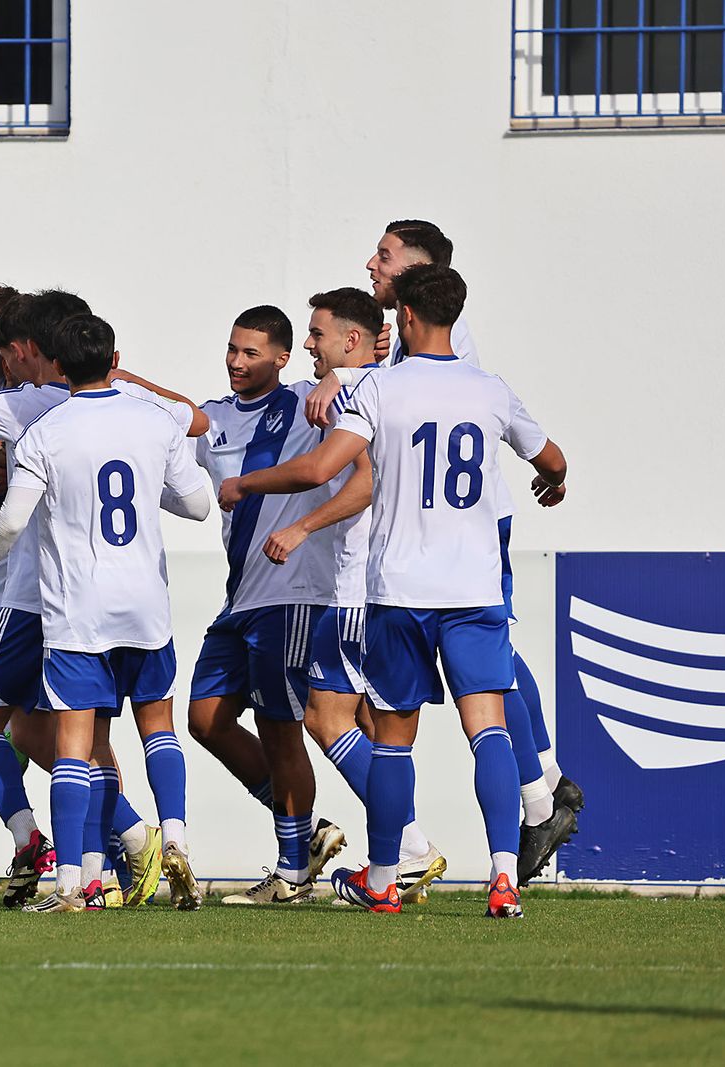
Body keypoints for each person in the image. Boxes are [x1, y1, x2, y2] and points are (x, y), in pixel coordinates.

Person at [222, 264, 568, 919]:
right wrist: (555, 480)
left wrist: (248, 483)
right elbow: (550, 457)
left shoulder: (383, 389)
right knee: (488, 727)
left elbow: (325, 468)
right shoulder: (489, 390)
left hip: (400, 589)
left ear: (405, 317)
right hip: (473, 588)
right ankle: (503, 878)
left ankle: (384, 874)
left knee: (391, 738)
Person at [0, 313, 211, 912]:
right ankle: (174, 836)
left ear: (55, 362)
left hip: (79, 610)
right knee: (157, 728)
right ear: (115, 358)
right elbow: (200, 504)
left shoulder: (47, 432)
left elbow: (15, 520)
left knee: (74, 744)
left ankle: (74, 882)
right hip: (147, 607)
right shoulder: (153, 421)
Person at [260, 288, 447, 901]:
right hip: (377, 585)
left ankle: (408, 849)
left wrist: (295, 521)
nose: (307, 344)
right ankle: (399, 857)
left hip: (358, 587)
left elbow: (358, 481)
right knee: (365, 721)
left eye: (316, 334)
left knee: (325, 717)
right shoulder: (380, 383)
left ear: (351, 340)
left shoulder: (361, 393)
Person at [185, 306, 342, 905]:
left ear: (282, 358)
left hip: (291, 591)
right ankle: (309, 832)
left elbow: (360, 368)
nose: (236, 362)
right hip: (241, 597)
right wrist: (121, 380)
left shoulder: (309, 404)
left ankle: (293, 872)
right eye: (232, 350)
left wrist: (338, 374)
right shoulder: (215, 419)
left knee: (282, 730)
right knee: (206, 720)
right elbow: (175, 411)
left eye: (251, 353)